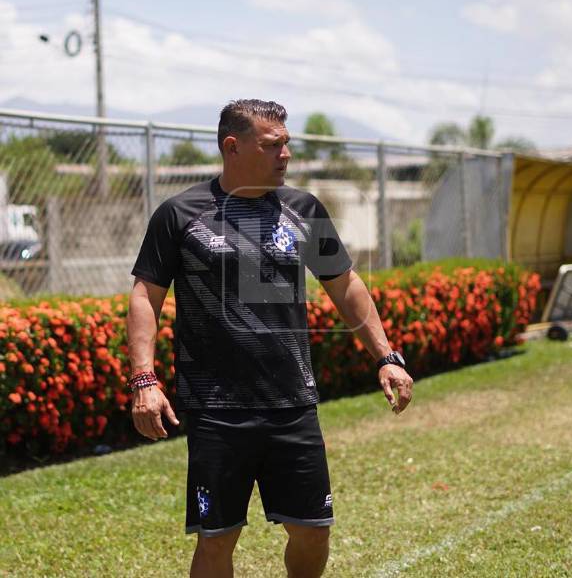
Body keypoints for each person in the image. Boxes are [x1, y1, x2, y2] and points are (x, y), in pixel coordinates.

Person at [127, 99, 413, 578]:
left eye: (288, 144)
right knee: (217, 537)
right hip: (216, 406)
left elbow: (345, 285)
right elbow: (145, 295)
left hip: (291, 401)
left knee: (313, 529)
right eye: (273, 144)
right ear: (232, 147)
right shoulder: (180, 214)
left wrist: (387, 356)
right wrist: (143, 380)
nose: (286, 154)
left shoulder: (302, 209)